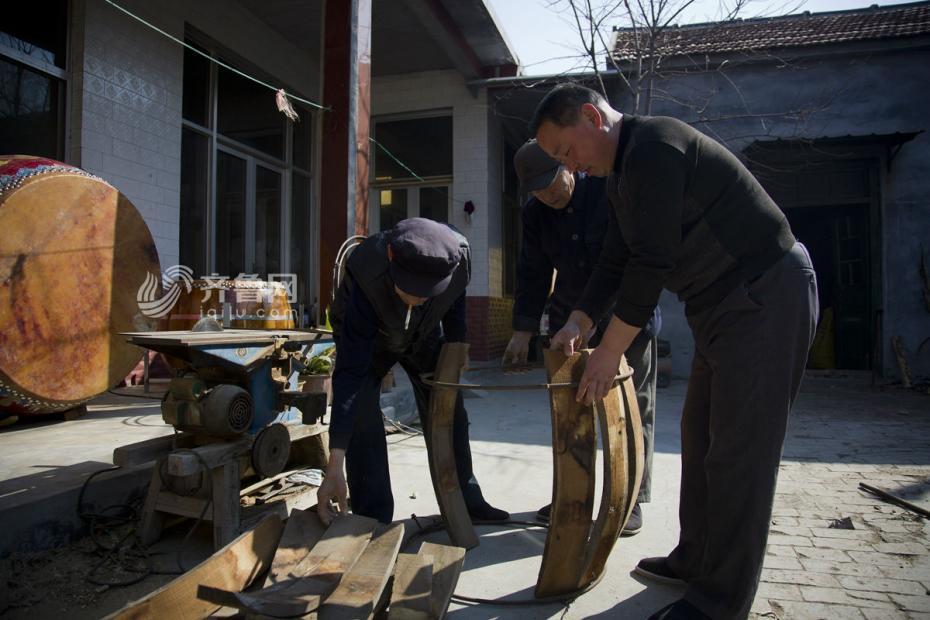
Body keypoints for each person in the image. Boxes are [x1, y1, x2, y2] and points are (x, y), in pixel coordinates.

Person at [531, 84, 819, 620]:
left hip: (763, 297)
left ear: (592, 117)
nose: (568, 164)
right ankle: (696, 559)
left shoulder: (656, 147)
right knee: (700, 436)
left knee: (740, 456)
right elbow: (616, 259)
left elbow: (651, 260)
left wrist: (608, 351)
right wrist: (578, 318)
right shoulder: (621, 177)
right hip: (720, 309)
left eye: (566, 151)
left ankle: (718, 603)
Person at [505, 140, 658, 536]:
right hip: (569, 323)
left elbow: (627, 263)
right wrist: (522, 330)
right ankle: (574, 494)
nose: (547, 194)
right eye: (537, 189)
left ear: (567, 166)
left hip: (626, 316)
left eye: (551, 182)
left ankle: (629, 498)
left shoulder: (607, 191)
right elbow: (533, 270)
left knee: (630, 408)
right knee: (573, 411)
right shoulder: (535, 213)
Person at [316, 217, 509, 526]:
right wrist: (335, 463)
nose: (417, 297)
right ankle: (372, 518)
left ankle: (467, 500)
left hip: (423, 333)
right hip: (370, 336)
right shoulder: (366, 272)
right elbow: (349, 375)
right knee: (363, 420)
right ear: (392, 259)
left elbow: (455, 297)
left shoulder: (459, 258)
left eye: (426, 292)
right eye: (411, 290)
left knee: (451, 409)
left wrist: (458, 343)